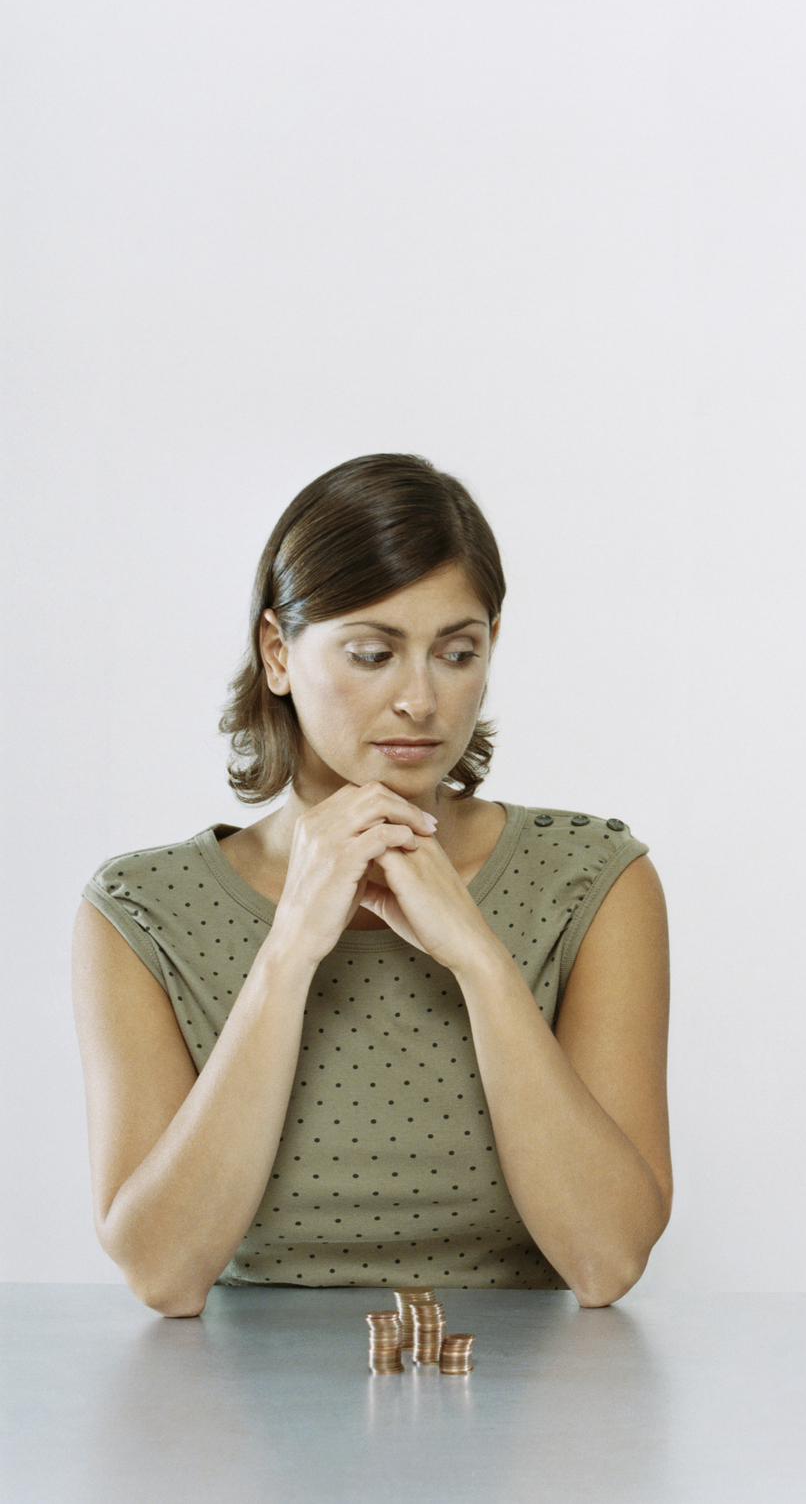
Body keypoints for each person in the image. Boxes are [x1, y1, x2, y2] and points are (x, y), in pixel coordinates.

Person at [72, 456, 672, 1316]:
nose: (420, 700)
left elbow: (606, 1261)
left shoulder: (593, 881)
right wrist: (287, 953)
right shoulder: (142, 912)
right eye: (371, 653)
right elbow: (164, 1274)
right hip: (234, 1421)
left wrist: (475, 954)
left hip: (525, 1416)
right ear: (278, 653)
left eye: (457, 653)